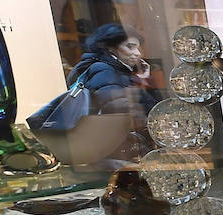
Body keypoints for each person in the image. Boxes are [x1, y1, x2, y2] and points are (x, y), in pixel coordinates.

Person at [69, 23, 162, 160]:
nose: (138, 53)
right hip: (118, 153)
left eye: (138, 48)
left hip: (111, 151)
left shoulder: (115, 71)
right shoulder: (105, 71)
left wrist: (144, 80)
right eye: (130, 47)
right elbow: (124, 116)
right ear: (110, 48)